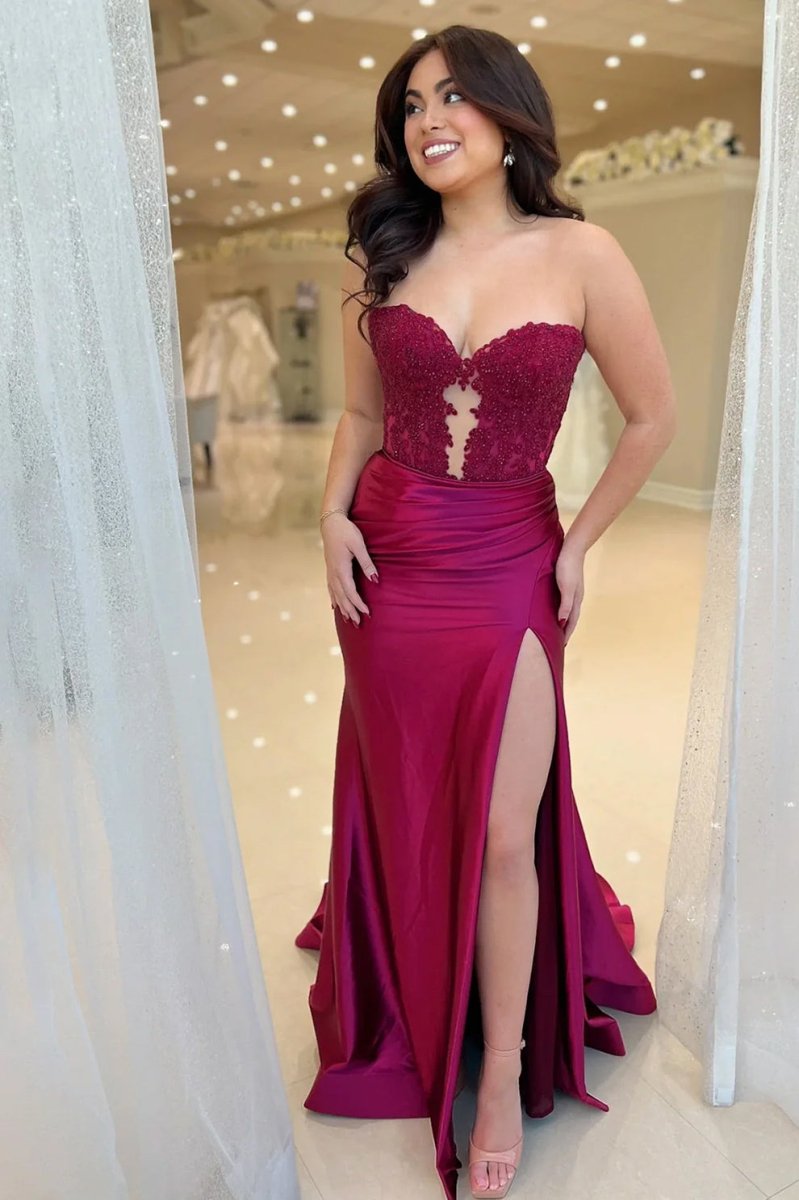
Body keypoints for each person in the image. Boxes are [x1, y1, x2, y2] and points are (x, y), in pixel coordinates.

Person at [295, 24, 675, 1200]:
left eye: (452, 96)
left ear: (509, 115)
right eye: (410, 106)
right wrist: (330, 515)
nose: (429, 121)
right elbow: (363, 417)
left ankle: (501, 1073)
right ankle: (407, 960)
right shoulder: (388, 256)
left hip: (509, 556)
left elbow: (652, 416)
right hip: (391, 561)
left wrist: (578, 544)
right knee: (407, 790)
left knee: (507, 831)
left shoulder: (581, 251)